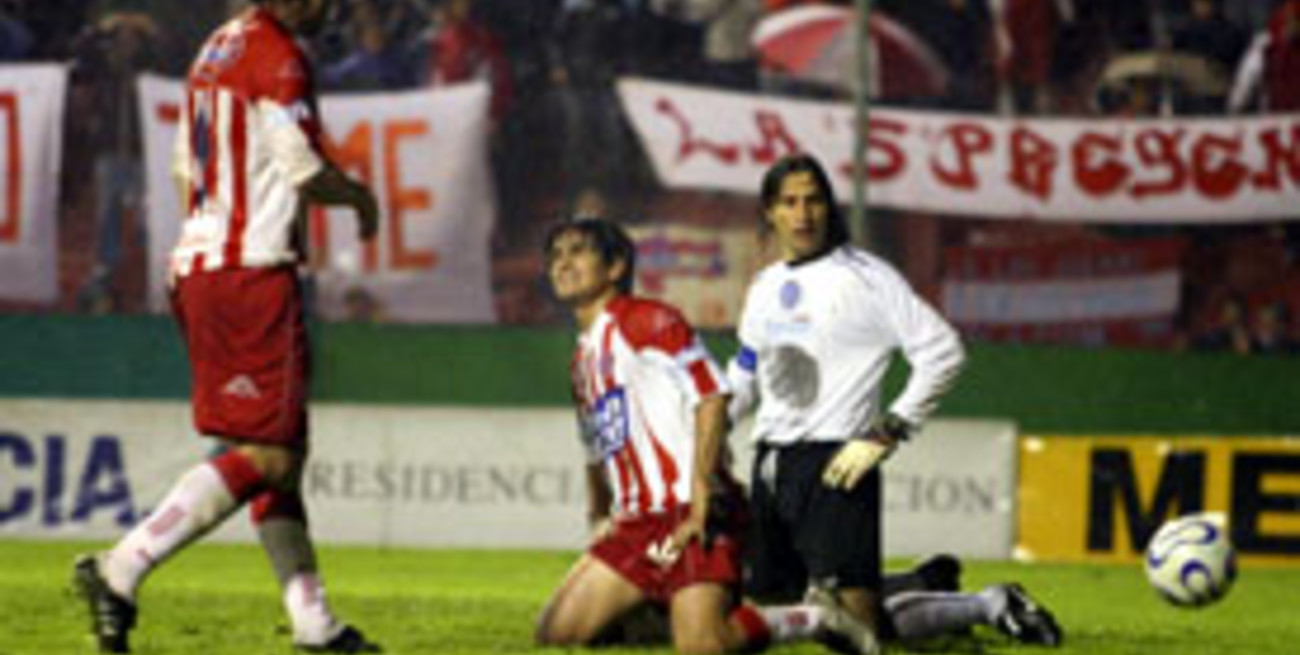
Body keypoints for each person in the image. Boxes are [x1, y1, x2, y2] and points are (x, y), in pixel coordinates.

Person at [71, 1, 380, 653]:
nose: (332, 7)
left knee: (275, 458)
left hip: (203, 262)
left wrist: (216, 229)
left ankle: (314, 624)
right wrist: (358, 197)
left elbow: (186, 165)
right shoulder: (280, 55)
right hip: (251, 271)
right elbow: (302, 166)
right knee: (270, 453)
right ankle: (121, 567)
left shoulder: (219, 46)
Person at [725, 153, 1059, 648]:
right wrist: (702, 434)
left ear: (829, 207)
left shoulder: (866, 278)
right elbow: (746, 373)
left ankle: (988, 604)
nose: (803, 214)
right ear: (769, 212)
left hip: (837, 464)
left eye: (813, 201)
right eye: (789, 202)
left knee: (855, 634)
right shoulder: (765, 286)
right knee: (783, 615)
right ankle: (920, 586)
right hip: (771, 466)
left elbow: (942, 351)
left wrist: (886, 432)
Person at [534, 217, 880, 654]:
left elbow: (712, 395)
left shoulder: (647, 319)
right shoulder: (582, 360)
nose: (563, 263)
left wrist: (701, 492)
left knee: (704, 647)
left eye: (577, 251)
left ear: (616, 265)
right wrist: (599, 516)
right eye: (556, 255)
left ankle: (816, 617)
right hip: (637, 524)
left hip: (690, 511)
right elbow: (596, 447)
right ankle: (661, 611)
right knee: (557, 636)